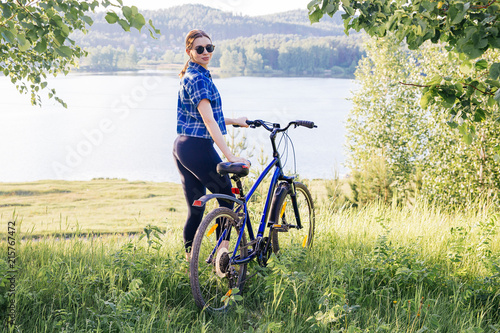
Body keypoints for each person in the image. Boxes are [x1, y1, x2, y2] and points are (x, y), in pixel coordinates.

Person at [173, 29, 250, 262]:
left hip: (183, 147)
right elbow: (207, 120)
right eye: (200, 49)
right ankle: (221, 260)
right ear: (189, 51)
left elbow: (204, 116)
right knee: (228, 199)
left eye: (209, 48)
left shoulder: (195, 75)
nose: (206, 52)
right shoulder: (197, 78)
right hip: (198, 148)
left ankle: (189, 266)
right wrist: (229, 155)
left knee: (196, 209)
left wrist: (234, 120)